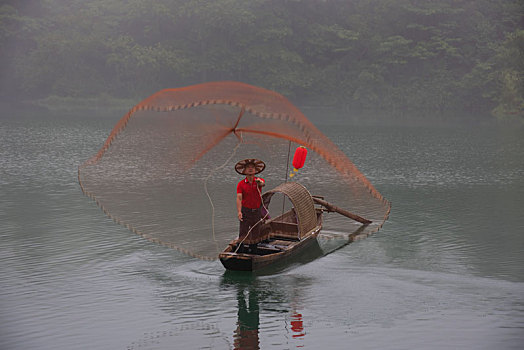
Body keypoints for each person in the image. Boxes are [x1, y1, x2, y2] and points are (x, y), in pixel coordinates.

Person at [235, 158, 266, 248]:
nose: (250, 169)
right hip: (246, 211)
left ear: (255, 170)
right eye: (248, 167)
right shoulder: (241, 184)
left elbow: (262, 184)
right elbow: (239, 198)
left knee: (256, 232)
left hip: (257, 211)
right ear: (245, 170)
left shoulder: (258, 181)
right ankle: (240, 250)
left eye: (252, 167)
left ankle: (254, 250)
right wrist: (239, 212)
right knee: (243, 232)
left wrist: (259, 182)